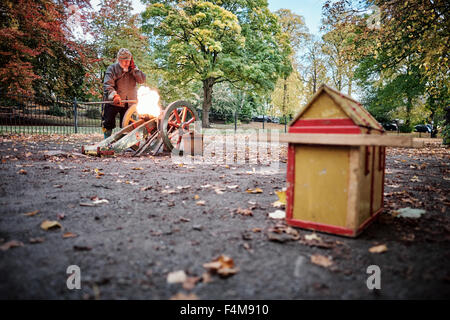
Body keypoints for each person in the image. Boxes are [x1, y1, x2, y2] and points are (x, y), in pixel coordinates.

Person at [102, 48, 146, 138]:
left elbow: (141, 80)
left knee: (128, 125)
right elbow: (107, 84)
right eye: (123, 61)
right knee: (108, 123)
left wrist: (135, 70)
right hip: (113, 101)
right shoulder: (112, 68)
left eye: (128, 61)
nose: (126, 63)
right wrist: (114, 95)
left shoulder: (134, 69)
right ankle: (106, 141)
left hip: (128, 102)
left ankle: (127, 144)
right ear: (119, 60)